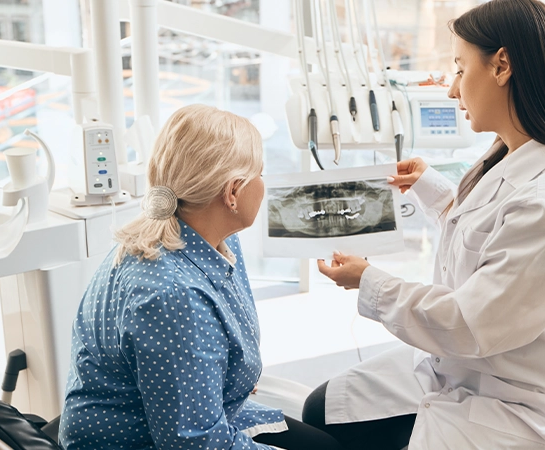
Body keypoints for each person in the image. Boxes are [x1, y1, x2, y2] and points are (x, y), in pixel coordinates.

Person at [307, 1, 545, 449]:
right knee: (324, 408)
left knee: (334, 423)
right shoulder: (514, 156)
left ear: (502, 65)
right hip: (471, 364)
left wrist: (369, 282)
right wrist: (430, 187)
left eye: (459, 68)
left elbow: (467, 325)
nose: (453, 90)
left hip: (514, 395)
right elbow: (491, 232)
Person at [60, 104, 343, 450]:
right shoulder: (172, 296)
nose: (265, 185)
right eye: (261, 174)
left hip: (202, 417)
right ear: (233, 192)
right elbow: (195, 445)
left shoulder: (206, 238)